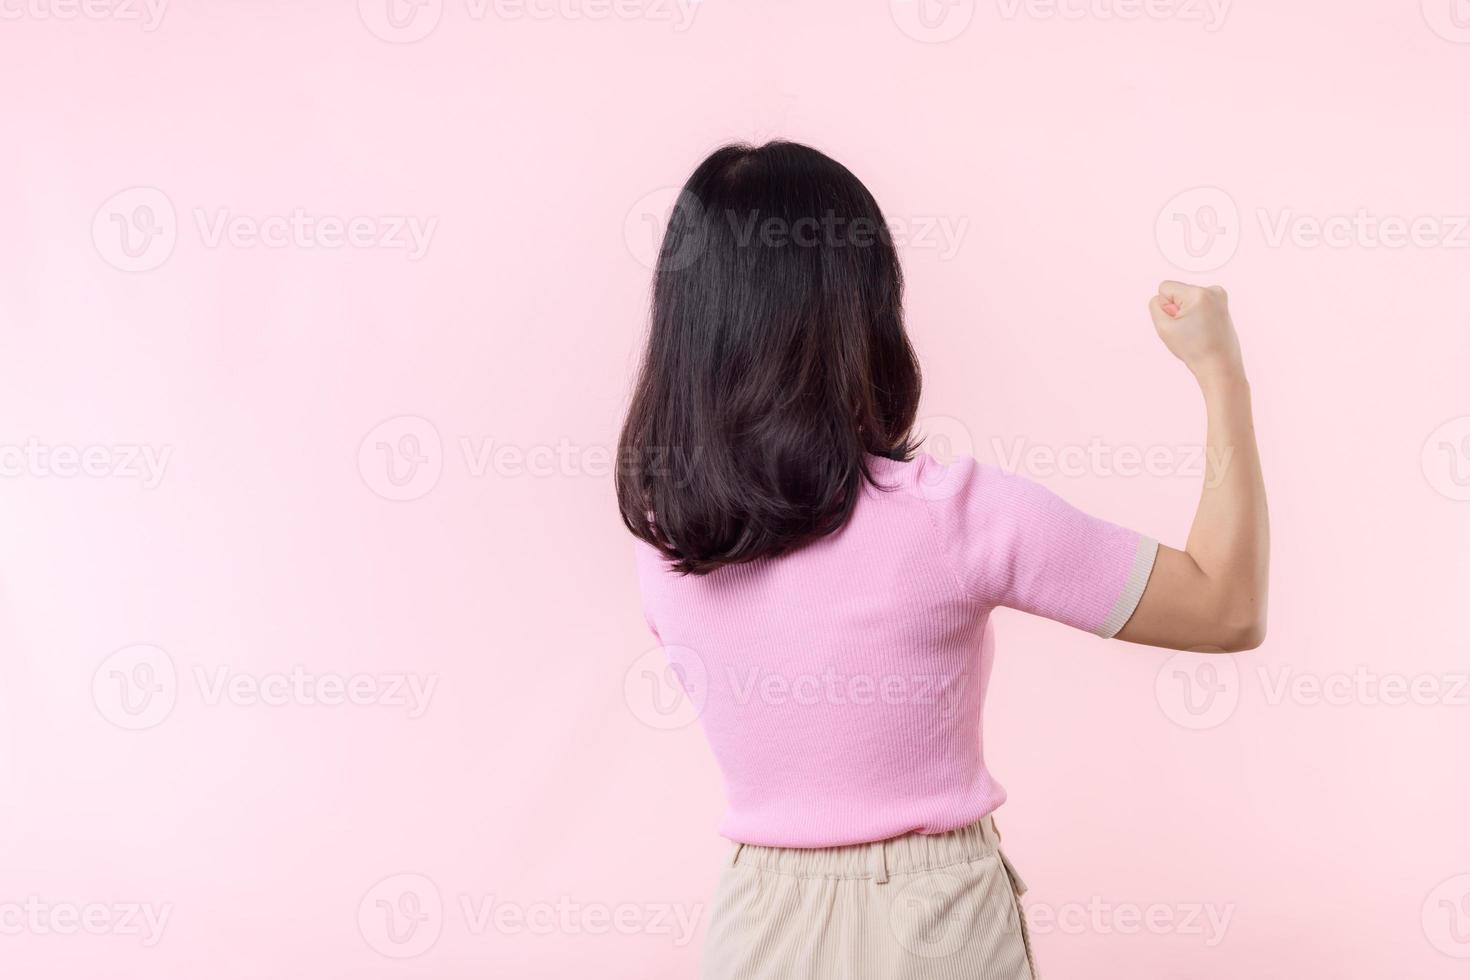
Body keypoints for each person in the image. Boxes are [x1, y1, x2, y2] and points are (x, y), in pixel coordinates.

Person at [617, 140, 1268, 979]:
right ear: (864, 306)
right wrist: (1221, 371)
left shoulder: (666, 546)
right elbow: (1227, 608)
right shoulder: (952, 516)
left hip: (756, 927)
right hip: (935, 924)